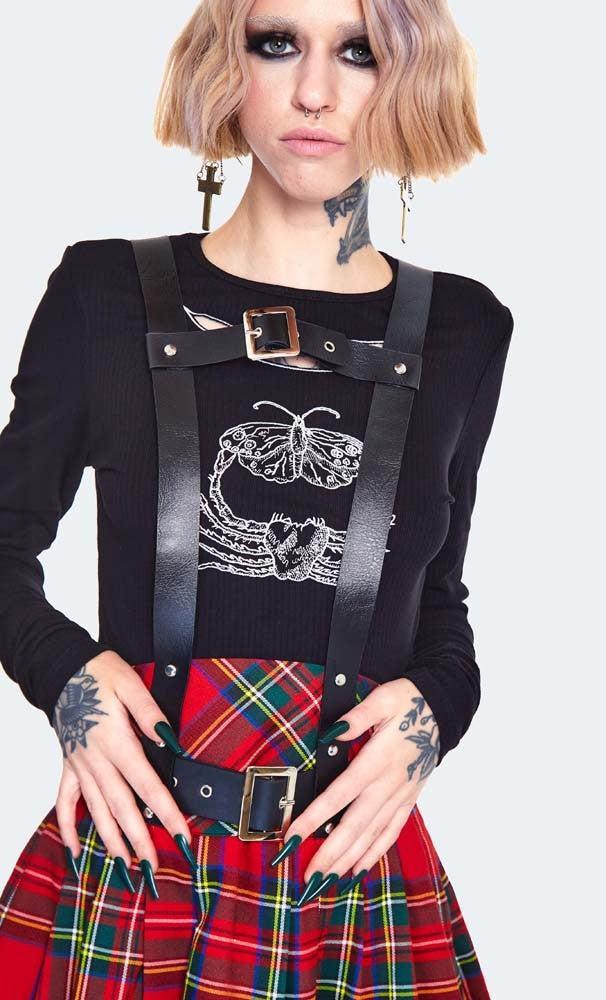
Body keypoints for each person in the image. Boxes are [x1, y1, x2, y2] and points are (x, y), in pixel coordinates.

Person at [0, 0, 514, 996]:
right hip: (142, 857)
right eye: (275, 44)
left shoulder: (464, 329)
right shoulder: (103, 293)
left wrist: (434, 714)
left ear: (410, 78)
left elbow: (437, 601)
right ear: (221, 64)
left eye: (359, 53)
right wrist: (69, 678)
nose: (314, 91)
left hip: (346, 872)